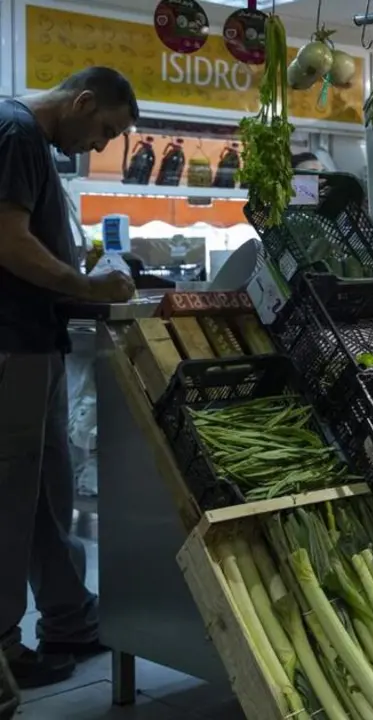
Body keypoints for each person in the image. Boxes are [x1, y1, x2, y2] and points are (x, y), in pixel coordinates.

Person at [0, 67, 139, 689]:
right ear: (82, 102)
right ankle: (4, 652)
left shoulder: (25, 137)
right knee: (10, 501)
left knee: (44, 492)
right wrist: (85, 285)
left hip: (35, 342)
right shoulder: (18, 131)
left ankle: (69, 618)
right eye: (105, 130)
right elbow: (7, 240)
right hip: (11, 344)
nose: (101, 147)